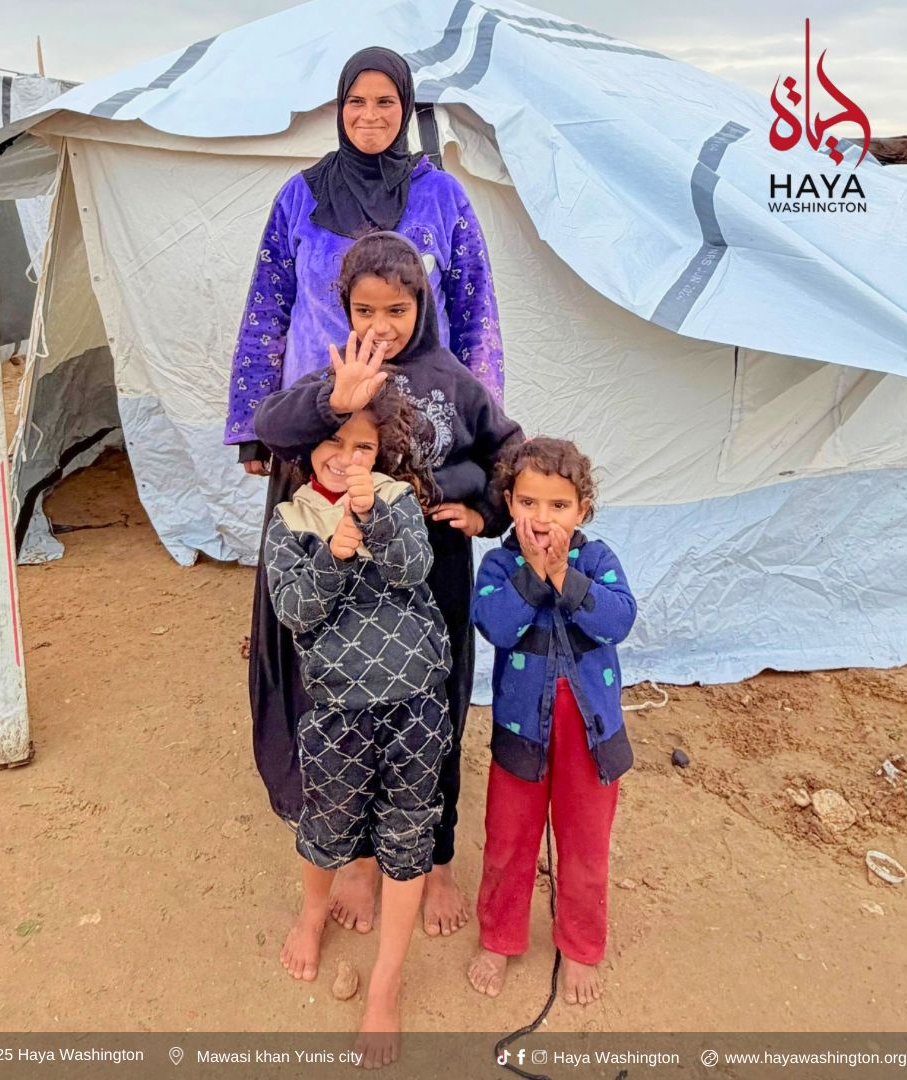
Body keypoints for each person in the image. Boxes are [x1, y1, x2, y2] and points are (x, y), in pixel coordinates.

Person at [228, 43, 505, 937]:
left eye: (387, 101)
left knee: (428, 663)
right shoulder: (299, 196)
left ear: (406, 107)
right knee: (331, 651)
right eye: (358, 100)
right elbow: (267, 304)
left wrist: (469, 450)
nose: (372, 115)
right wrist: (256, 425)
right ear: (339, 107)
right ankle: (347, 849)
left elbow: (477, 311)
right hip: (323, 443)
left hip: (418, 450)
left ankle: (432, 852)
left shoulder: (442, 195)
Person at [254, 231, 522, 935]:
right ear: (346, 309)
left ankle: (436, 858)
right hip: (353, 589)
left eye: (397, 310)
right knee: (354, 721)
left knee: (435, 716)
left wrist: (485, 510)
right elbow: (270, 429)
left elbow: (506, 451)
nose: (380, 326)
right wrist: (331, 401)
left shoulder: (452, 380)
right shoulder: (337, 375)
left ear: (421, 305)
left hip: (435, 577)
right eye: (365, 311)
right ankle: (364, 860)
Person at [265, 377, 450, 1068]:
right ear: (309, 449)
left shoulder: (398, 501)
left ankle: (387, 982)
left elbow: (414, 569)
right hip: (338, 709)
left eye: (364, 447)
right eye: (334, 444)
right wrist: (333, 553)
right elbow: (293, 611)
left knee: (407, 831)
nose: (348, 458)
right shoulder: (293, 520)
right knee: (329, 820)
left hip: (416, 702)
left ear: (383, 452)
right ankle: (312, 915)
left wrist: (374, 518)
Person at [467, 438, 637, 1006]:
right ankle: (500, 936)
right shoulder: (499, 565)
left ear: (582, 510)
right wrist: (535, 575)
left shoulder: (597, 560)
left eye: (559, 505)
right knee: (508, 841)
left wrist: (564, 575)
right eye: (528, 503)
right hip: (523, 735)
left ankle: (581, 946)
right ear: (509, 503)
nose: (542, 519)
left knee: (585, 846)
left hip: (591, 737)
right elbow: (495, 625)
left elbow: (618, 621)